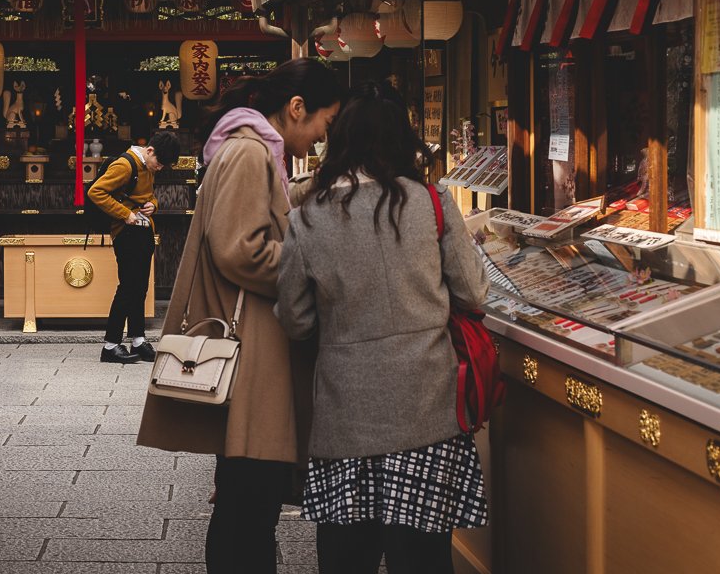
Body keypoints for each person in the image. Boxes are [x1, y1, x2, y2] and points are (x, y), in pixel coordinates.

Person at [137, 57, 342, 574]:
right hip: (253, 352)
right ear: (297, 108)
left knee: (244, 499)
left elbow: (257, 212)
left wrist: (309, 190)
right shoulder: (251, 152)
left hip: (252, 349)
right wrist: (312, 272)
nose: (322, 136)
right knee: (249, 505)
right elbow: (240, 249)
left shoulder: (251, 149)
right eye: (325, 122)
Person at [276, 80, 489, 574]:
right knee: (424, 558)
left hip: (346, 417)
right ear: (400, 141)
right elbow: (473, 294)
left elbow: (296, 319)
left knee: (347, 558)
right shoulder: (431, 202)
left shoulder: (308, 217)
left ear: (340, 141)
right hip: (427, 412)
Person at [87, 131, 181, 364]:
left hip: (143, 230)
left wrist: (153, 205)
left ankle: (137, 339)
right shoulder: (125, 165)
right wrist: (125, 213)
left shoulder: (147, 166)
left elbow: (148, 196)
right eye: (159, 163)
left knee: (140, 287)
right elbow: (95, 191)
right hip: (126, 232)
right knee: (128, 287)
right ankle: (110, 345)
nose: (158, 168)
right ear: (150, 151)